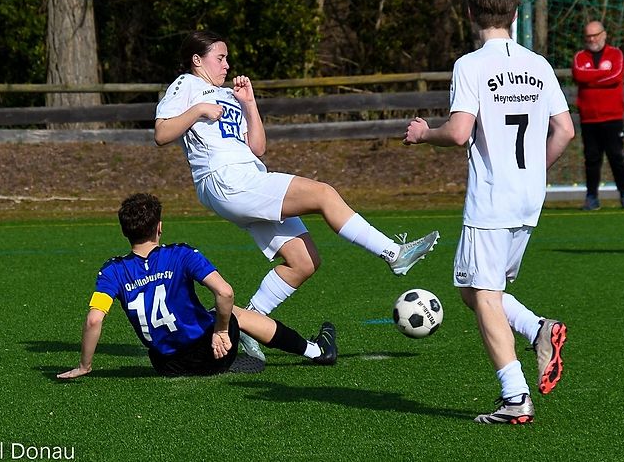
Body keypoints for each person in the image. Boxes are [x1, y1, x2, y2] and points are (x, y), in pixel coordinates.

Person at [154, 30, 440, 361]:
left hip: (247, 176)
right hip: (225, 178)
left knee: (303, 262)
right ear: (196, 60)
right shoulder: (186, 84)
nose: (227, 65)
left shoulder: (229, 95)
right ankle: (393, 253)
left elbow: (258, 148)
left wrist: (249, 104)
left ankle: (249, 323)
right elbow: (161, 133)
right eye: (220, 58)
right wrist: (198, 110)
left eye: (227, 58)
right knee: (324, 194)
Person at [403, 0, 575, 425]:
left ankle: (515, 397)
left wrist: (424, 134)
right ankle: (539, 329)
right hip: (529, 198)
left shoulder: (471, 65)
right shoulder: (538, 64)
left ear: (469, 14)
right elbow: (565, 131)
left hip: (493, 197)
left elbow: (459, 132)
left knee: (483, 294)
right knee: (474, 289)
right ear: (514, 14)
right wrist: (534, 171)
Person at [57, 193, 337, 379]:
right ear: (159, 227)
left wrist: (85, 365)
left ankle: (232, 346)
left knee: (205, 315)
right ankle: (316, 351)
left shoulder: (112, 270)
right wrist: (221, 330)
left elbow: (94, 320)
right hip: (214, 354)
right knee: (232, 312)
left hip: (167, 366)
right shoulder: (181, 254)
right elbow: (225, 292)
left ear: (124, 231)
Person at [572, 21, 624, 210]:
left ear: (604, 34)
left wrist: (591, 78)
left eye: (595, 35)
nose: (592, 39)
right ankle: (591, 197)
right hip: (589, 117)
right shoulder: (580, 57)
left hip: (612, 117)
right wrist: (601, 75)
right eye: (588, 36)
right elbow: (579, 75)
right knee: (591, 159)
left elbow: (616, 76)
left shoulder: (616, 54)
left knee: (616, 156)